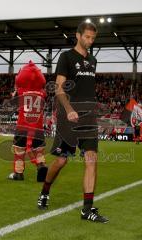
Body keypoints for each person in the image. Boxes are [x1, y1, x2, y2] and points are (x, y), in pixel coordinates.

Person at [37, 21, 108, 223]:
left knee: (92, 159)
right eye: (87, 37)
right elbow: (59, 88)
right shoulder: (66, 57)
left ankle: (87, 209)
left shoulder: (93, 60)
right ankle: (45, 191)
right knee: (61, 160)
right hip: (69, 117)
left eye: (93, 38)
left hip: (89, 117)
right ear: (78, 35)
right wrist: (69, 110)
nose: (90, 41)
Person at [8, 60, 48, 182]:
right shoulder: (42, 93)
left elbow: (13, 104)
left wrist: (15, 91)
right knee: (38, 150)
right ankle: (41, 167)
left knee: (19, 150)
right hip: (38, 128)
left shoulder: (20, 92)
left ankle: (18, 173)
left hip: (23, 127)